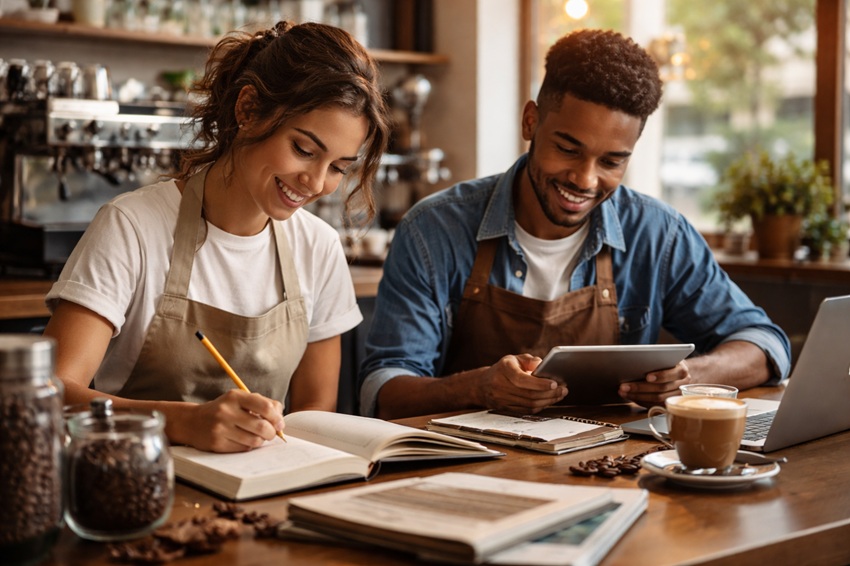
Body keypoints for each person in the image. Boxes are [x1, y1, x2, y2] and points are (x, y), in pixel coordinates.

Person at [359, 28, 790, 420]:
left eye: (611, 161)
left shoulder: (659, 234)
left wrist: (689, 376)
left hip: (613, 470)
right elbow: (385, 392)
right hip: (472, 475)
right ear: (531, 121)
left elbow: (764, 344)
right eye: (568, 149)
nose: (585, 180)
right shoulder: (432, 230)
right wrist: (479, 387)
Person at [43, 21, 390, 452]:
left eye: (339, 167)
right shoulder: (132, 226)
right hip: (137, 485)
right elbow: (51, 392)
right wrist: (181, 423)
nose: (317, 183)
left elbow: (314, 416)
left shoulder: (318, 247)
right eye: (303, 149)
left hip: (264, 492)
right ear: (247, 110)